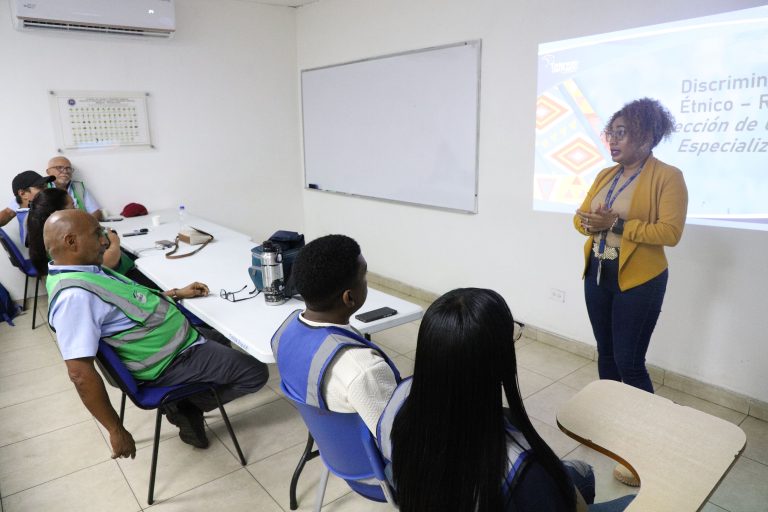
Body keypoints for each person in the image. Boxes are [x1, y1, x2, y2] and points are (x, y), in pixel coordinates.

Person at [378, 288, 635, 512]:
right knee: (618, 492)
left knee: (582, 475)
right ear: (496, 362)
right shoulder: (523, 471)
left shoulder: (398, 400)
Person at [44, 209, 269, 456]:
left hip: (176, 344)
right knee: (255, 373)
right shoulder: (74, 297)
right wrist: (116, 430)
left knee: (221, 336)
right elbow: (79, 373)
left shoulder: (82, 271)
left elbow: (130, 303)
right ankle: (186, 406)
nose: (104, 241)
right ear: (71, 241)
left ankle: (189, 398)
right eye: (97, 234)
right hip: (169, 362)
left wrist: (176, 294)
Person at [574, 98, 687, 486]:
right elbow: (580, 217)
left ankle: (646, 442)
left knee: (629, 361)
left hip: (640, 282)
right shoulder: (606, 175)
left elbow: (670, 232)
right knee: (606, 354)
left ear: (648, 136)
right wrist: (588, 223)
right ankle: (611, 426)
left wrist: (616, 224)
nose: (613, 140)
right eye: (612, 132)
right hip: (598, 274)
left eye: (622, 133)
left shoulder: (668, 177)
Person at [271, 234, 400, 435]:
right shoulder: (364, 369)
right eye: (364, 276)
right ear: (349, 297)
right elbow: (399, 441)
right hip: (369, 453)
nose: (366, 281)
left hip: (331, 442)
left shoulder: (283, 334)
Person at [0, 171, 55, 257]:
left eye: (45, 186)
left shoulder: (25, 210)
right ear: (23, 194)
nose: (46, 190)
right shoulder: (34, 217)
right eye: (40, 187)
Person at [46, 156, 104, 220]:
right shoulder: (42, 188)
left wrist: (83, 224)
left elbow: (96, 212)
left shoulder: (79, 187)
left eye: (68, 168)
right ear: (48, 172)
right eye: (59, 168)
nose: (65, 171)